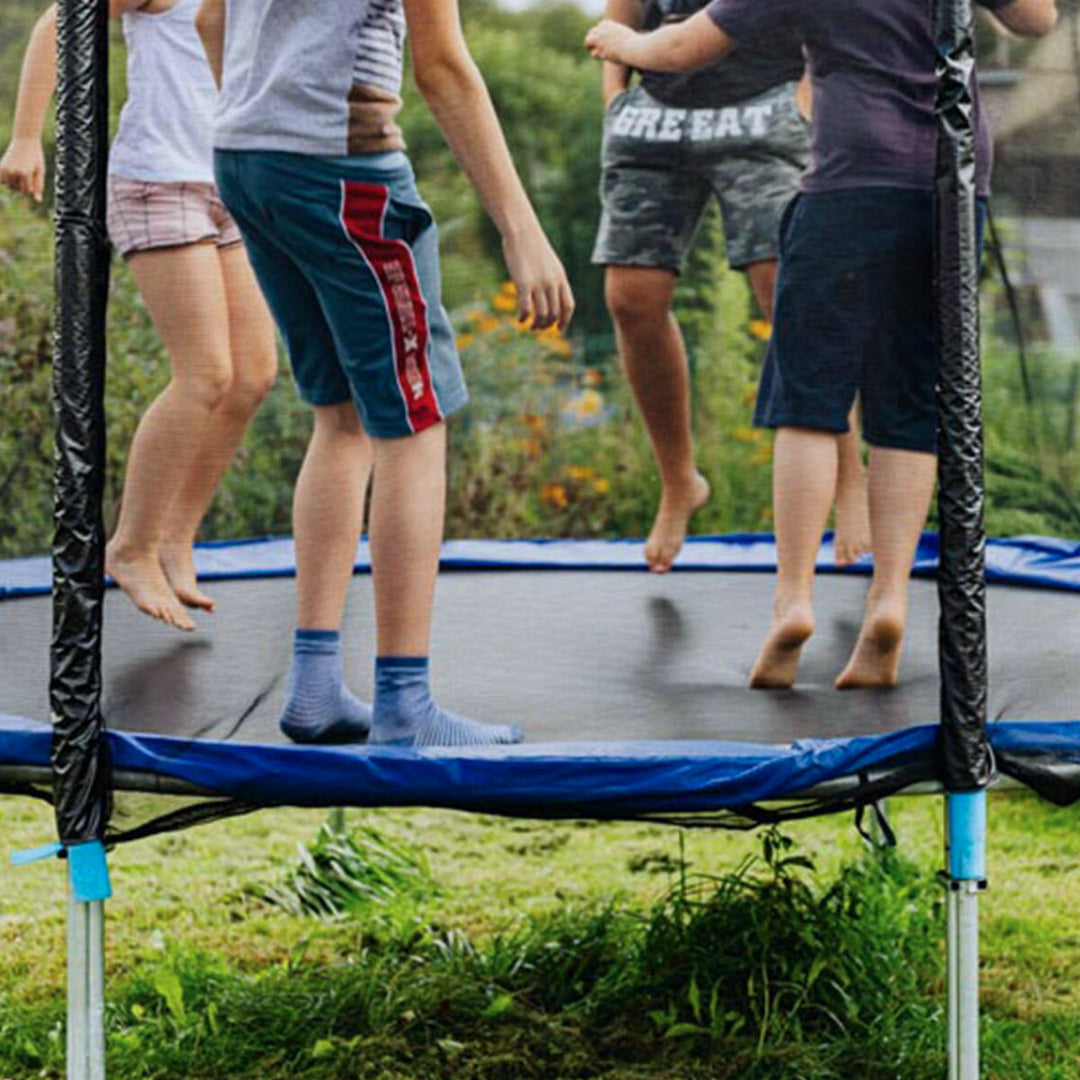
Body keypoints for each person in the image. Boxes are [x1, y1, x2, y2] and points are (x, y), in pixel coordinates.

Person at [586, 0, 1057, 688]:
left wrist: (622, 39)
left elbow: (687, 46)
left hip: (848, 182)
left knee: (806, 401)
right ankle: (889, 599)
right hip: (951, 189)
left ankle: (794, 599)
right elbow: (1037, 19)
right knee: (910, 405)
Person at [195, 0, 574, 747]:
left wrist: (263, 118)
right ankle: (405, 704)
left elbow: (211, 18)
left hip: (245, 157)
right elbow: (441, 65)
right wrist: (520, 228)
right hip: (343, 171)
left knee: (339, 416)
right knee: (415, 422)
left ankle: (312, 685)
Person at [1, 0, 278, 632]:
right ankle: (129, 546)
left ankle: (176, 536)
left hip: (229, 182)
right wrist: (25, 137)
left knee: (255, 372)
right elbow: (61, 22)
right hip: (159, 183)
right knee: (205, 373)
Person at [592, 0, 870, 574]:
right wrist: (615, 101)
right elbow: (620, 17)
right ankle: (679, 482)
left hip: (763, 107)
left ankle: (848, 478)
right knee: (631, 299)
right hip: (656, 115)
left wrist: (805, 98)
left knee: (788, 291)